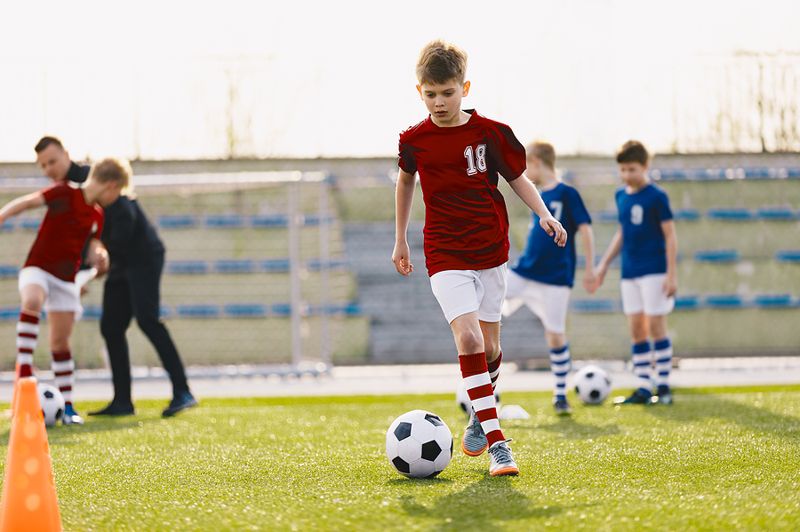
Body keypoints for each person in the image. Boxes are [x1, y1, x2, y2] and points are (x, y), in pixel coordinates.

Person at [393, 40, 567, 477]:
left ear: (464, 87)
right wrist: (401, 238)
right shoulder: (415, 140)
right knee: (468, 342)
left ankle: (478, 411)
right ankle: (499, 444)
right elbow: (405, 183)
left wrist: (544, 215)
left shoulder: (491, 133)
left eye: (447, 92)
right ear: (420, 92)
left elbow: (518, 179)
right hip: (445, 252)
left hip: (491, 251)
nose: (439, 102)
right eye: (430, 94)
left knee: (491, 348)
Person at [0, 155, 119, 425]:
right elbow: (28, 202)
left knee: (60, 343)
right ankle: (24, 378)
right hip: (38, 267)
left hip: (66, 279)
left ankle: (67, 407)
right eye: (119, 192)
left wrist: (102, 256)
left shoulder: (97, 214)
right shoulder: (65, 191)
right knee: (31, 300)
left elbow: (92, 246)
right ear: (111, 186)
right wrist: (2, 215)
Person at [88, 161, 196, 418]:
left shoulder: (124, 208)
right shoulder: (101, 207)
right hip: (122, 267)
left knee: (148, 320)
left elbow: (115, 245)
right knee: (111, 327)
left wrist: (92, 264)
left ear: (112, 186)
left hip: (144, 261)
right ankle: (122, 401)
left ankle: (183, 390)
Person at [503, 141, 595, 415]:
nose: (524, 170)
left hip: (556, 278)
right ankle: (485, 390)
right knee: (487, 303)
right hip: (525, 271)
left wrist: (590, 268)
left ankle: (560, 394)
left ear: (537, 162)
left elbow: (586, 230)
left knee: (555, 334)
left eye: (526, 164)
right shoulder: (537, 194)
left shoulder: (567, 193)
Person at [592, 140, 677, 405]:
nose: (627, 174)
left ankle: (663, 385)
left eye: (632, 169)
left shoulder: (657, 196)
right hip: (630, 272)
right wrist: (604, 263)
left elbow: (670, 236)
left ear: (645, 166)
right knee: (637, 329)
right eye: (623, 169)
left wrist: (671, 274)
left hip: (655, 270)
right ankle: (642, 386)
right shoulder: (621, 196)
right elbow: (622, 233)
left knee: (655, 326)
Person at [34, 136, 99, 293]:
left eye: (52, 162)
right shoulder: (58, 193)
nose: (48, 169)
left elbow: (99, 223)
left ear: (66, 155)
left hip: (126, 255)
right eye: (43, 166)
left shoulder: (90, 178)